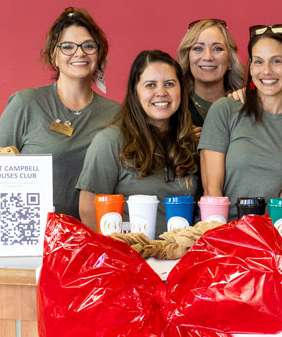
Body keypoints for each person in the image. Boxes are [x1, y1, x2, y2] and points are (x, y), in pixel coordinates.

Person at [0, 6, 119, 218]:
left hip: (94, 238)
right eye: (67, 47)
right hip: (33, 239)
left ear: (99, 54)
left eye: (88, 46)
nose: (79, 53)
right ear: (54, 56)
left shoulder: (116, 114)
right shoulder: (25, 104)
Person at [198, 25, 282, 218]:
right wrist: (228, 240)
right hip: (221, 231)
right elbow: (212, 191)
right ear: (250, 68)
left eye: (276, 61)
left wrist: (264, 241)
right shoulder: (224, 110)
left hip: (270, 235)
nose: (266, 71)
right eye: (258, 62)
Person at [77, 50, 198, 233]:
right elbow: (88, 209)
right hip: (130, 257)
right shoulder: (110, 141)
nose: (161, 92)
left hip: (179, 256)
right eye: (150, 85)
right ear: (135, 91)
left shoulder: (188, 142)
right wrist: (114, 256)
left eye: (170, 84)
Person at [176, 19, 245, 131]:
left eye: (217, 49)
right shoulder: (175, 108)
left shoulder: (244, 101)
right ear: (188, 58)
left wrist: (252, 93)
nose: (208, 57)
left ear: (229, 61)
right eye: (198, 48)